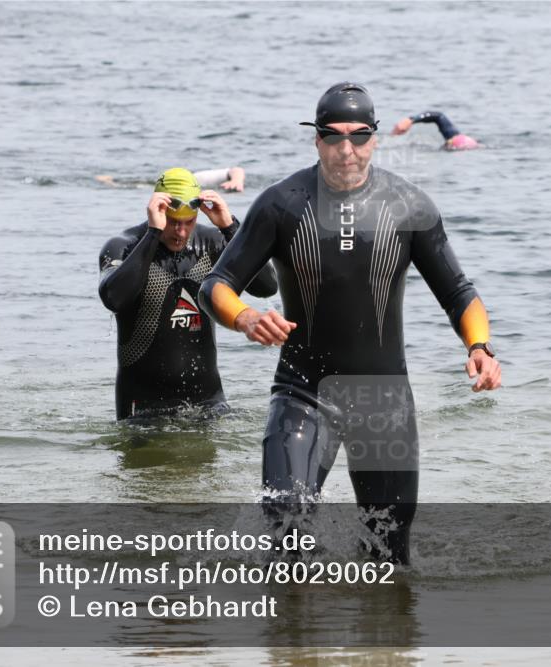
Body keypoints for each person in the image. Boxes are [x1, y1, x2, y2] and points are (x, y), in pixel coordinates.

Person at [198, 83, 501, 563]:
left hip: (384, 399)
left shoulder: (409, 207)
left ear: (374, 138)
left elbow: (458, 293)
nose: (346, 149)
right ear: (316, 139)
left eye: (359, 136)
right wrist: (245, 316)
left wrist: (479, 348)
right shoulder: (281, 204)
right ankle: (295, 611)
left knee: (390, 553)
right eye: (333, 136)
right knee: (286, 523)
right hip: (302, 392)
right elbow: (216, 284)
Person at [99, 167, 277, 420]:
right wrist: (153, 234)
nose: (181, 232)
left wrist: (230, 228)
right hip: (143, 409)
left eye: (188, 222)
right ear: (159, 212)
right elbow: (114, 299)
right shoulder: (124, 246)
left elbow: (267, 286)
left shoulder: (212, 243)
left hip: (209, 403)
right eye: (173, 222)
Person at [95, 166, 247, 192]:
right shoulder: (163, 187)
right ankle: (107, 181)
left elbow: (236, 170)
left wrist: (236, 181)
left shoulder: (195, 179)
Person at [391, 110, 479, 150]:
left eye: (449, 144)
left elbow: (438, 116)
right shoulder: (454, 137)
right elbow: (438, 116)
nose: (447, 143)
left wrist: (411, 120)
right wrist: (411, 120)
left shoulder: (453, 141)